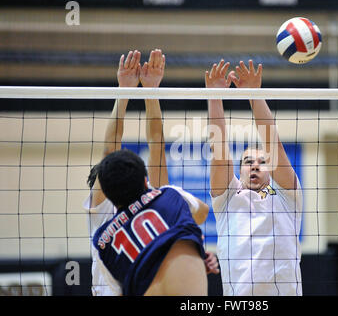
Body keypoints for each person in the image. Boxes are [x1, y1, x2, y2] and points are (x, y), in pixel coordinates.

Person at [84, 49, 218, 296]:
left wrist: (134, 91)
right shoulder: (157, 199)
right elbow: (146, 144)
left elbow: (141, 145)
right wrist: (147, 91)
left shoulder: (144, 203)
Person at [206, 59, 303, 296]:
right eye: (248, 162)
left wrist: (254, 95)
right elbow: (219, 152)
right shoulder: (227, 198)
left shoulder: (286, 197)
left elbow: (273, 144)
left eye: (263, 162)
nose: (256, 167)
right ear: (239, 172)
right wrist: (214, 97)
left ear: (271, 170)